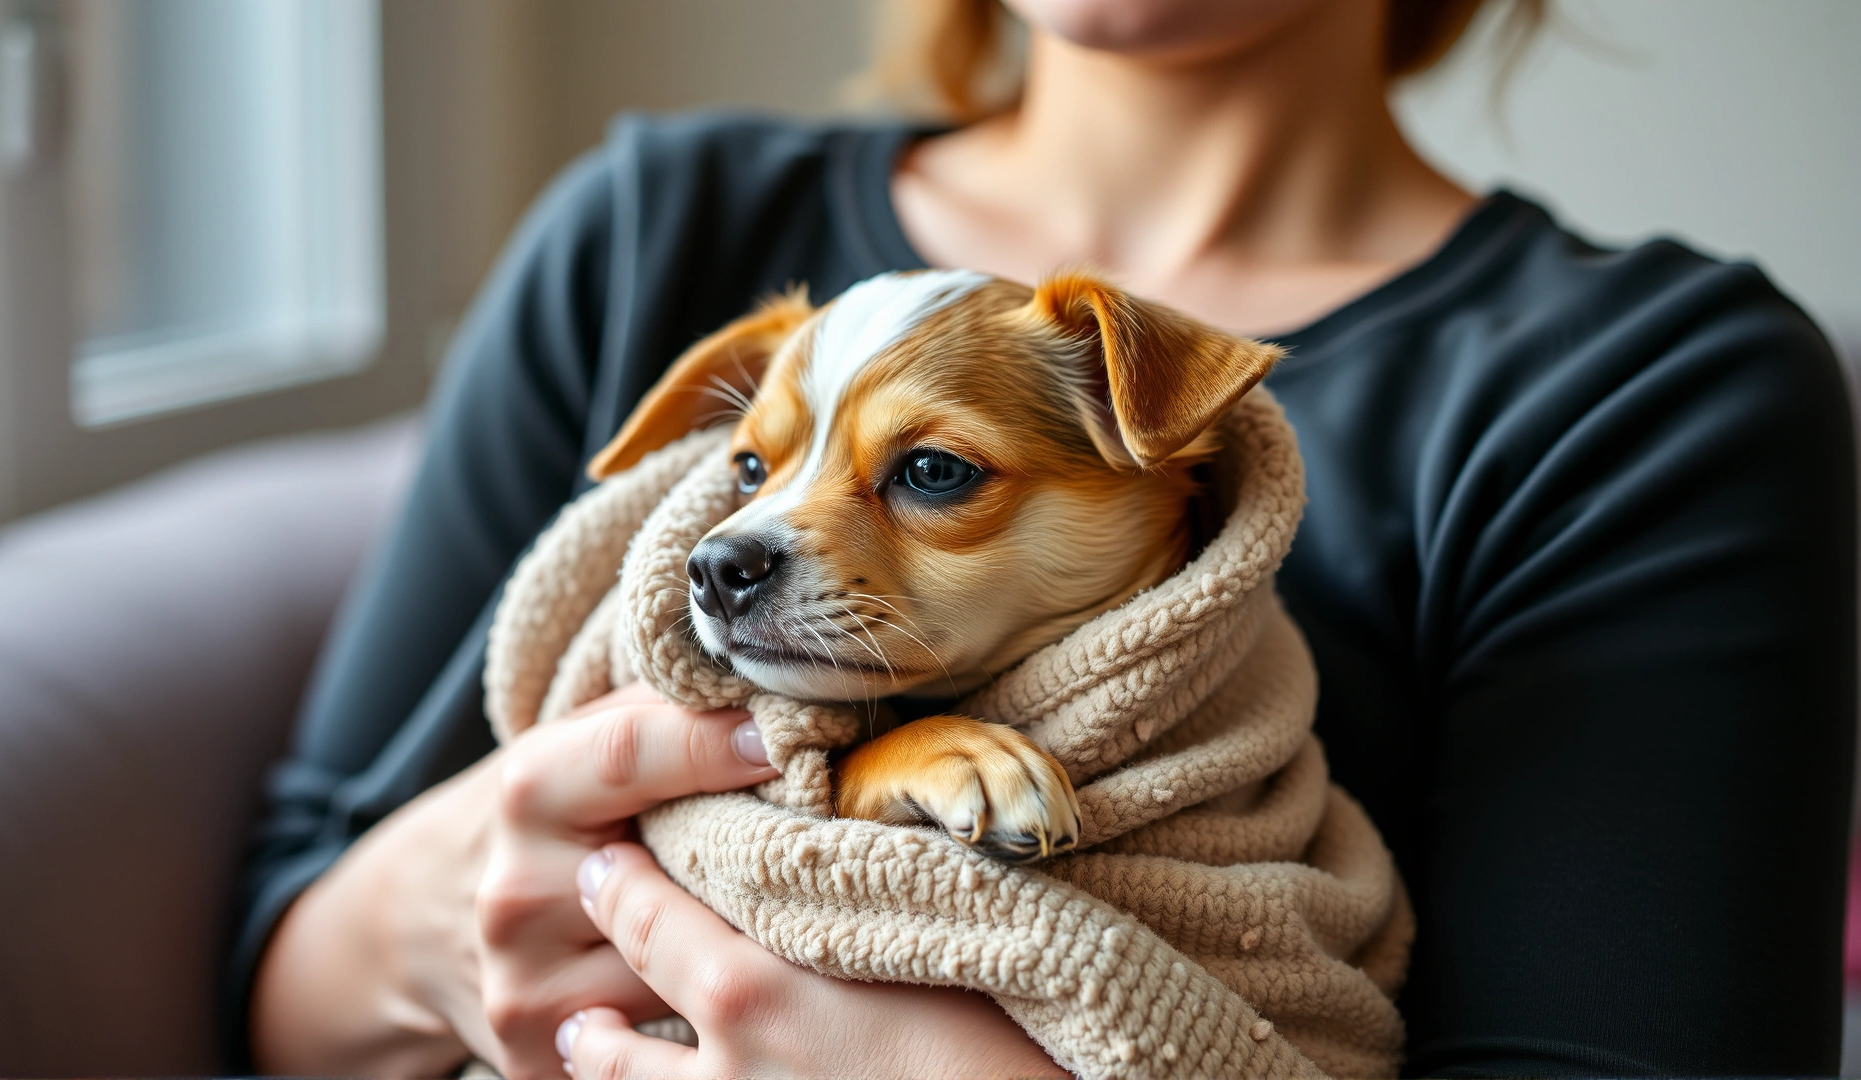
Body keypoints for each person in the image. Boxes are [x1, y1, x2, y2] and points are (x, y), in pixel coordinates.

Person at [234, 0, 1858, 1075]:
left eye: (931, 473)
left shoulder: (1651, 393)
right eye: (752, 470)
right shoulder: (651, 233)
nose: (752, 530)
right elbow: (285, 968)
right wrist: (475, 906)